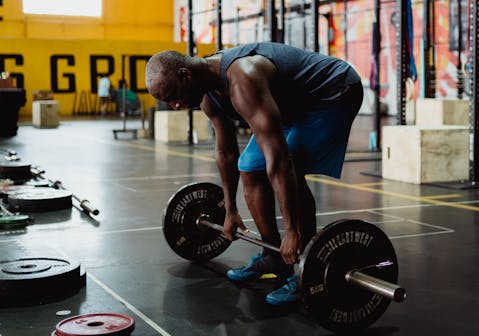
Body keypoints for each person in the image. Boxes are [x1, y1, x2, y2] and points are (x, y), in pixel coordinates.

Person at [145, 42, 363, 306]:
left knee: (293, 164)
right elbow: (226, 152)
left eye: (172, 96)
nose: (175, 105)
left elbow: (280, 159)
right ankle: (273, 256)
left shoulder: (243, 78)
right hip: (293, 104)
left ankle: (305, 265)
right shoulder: (207, 96)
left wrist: (292, 231)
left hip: (332, 92)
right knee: (250, 166)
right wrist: (229, 209)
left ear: (185, 75)